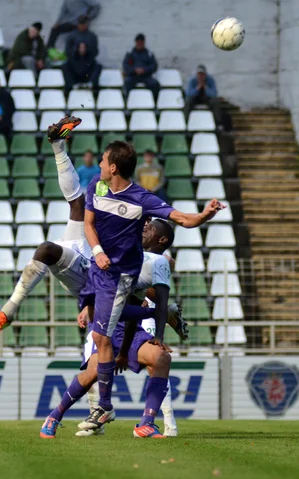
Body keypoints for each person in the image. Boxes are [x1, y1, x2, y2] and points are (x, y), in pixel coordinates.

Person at [0, 117, 187, 342]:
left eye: (151, 227)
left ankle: (8, 312)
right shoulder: (131, 224)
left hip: (90, 276)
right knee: (77, 204)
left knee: (47, 250)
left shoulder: (151, 256)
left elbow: (163, 265)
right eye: (147, 223)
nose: (146, 226)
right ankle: (58, 146)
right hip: (88, 250)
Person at [77, 137, 224, 431]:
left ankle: (104, 408)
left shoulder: (141, 198)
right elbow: (89, 225)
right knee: (99, 337)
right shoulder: (98, 184)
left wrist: (206, 215)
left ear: (114, 167)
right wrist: (98, 251)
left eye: (104, 161)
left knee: (102, 339)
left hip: (124, 276)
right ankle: (102, 408)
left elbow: (181, 218)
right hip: (98, 267)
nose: (100, 165)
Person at [42, 218, 179, 439]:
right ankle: (55, 416)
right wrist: (89, 306)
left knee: (161, 358)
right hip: (107, 325)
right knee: (91, 374)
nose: (145, 227)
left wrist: (134, 346)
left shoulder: (156, 262)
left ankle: (147, 423)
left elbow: (149, 300)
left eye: (151, 227)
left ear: (161, 239)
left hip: (129, 328)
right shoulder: (118, 250)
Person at [122, 33, 160, 99]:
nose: (140, 44)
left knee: (154, 84)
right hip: (133, 76)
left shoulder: (149, 53)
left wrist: (144, 70)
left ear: (144, 43)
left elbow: (154, 66)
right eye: (138, 42)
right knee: (127, 83)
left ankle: (154, 102)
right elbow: (126, 66)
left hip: (146, 76)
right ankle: (128, 102)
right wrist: (134, 70)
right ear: (135, 42)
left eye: (141, 43)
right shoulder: (130, 53)